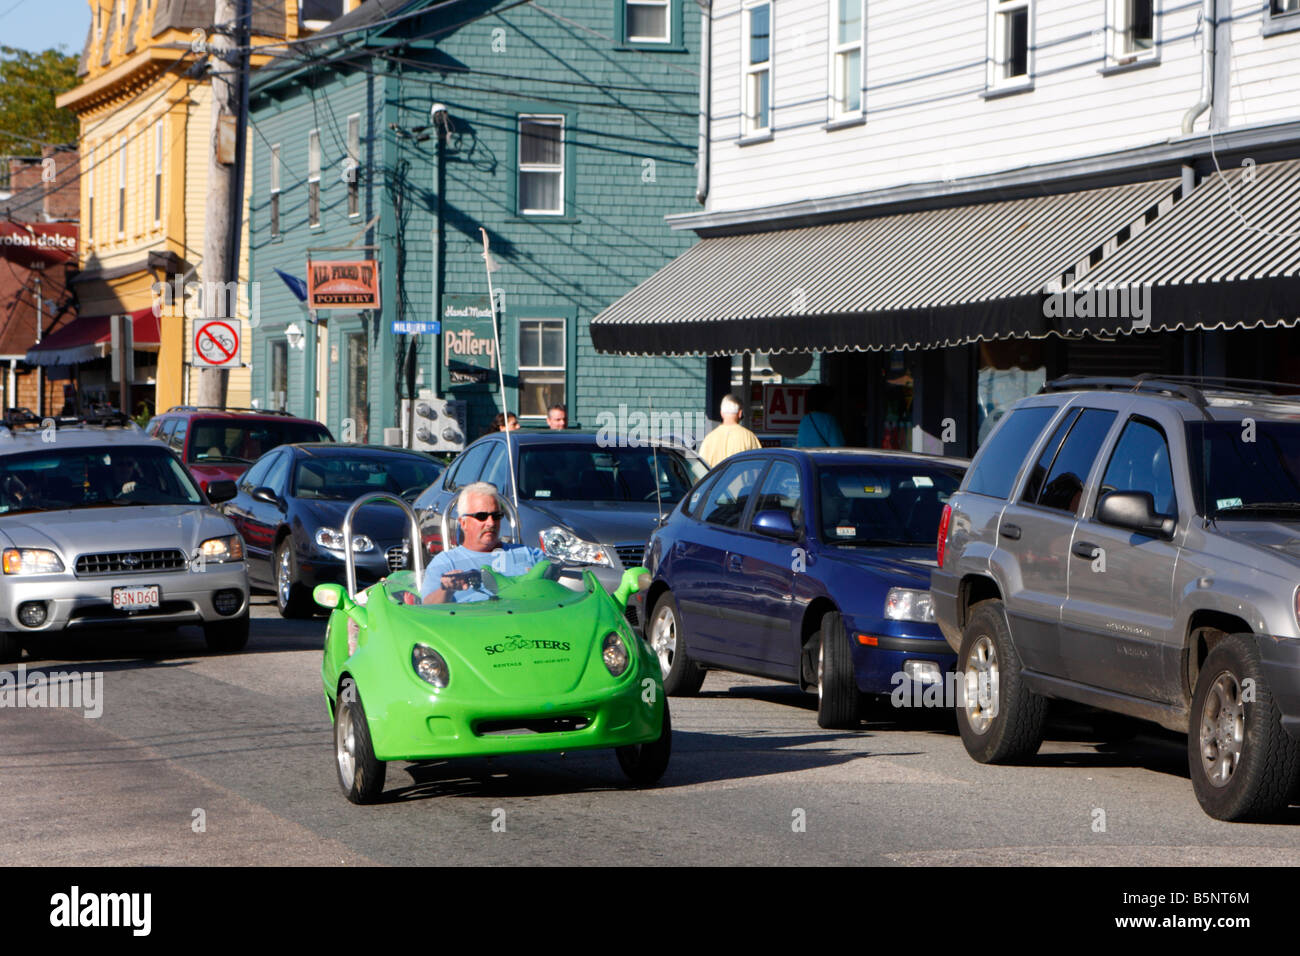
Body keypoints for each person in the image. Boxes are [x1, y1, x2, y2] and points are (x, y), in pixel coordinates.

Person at [418, 481, 545, 604]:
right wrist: (446, 589)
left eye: (496, 516)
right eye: (481, 516)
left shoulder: (530, 555)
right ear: (463, 523)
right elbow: (428, 607)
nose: (491, 523)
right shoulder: (445, 563)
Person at [697, 393, 762, 468]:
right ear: (740, 413)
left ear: (721, 413)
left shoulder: (709, 439)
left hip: (717, 480)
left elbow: (701, 469)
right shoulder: (749, 437)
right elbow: (759, 465)